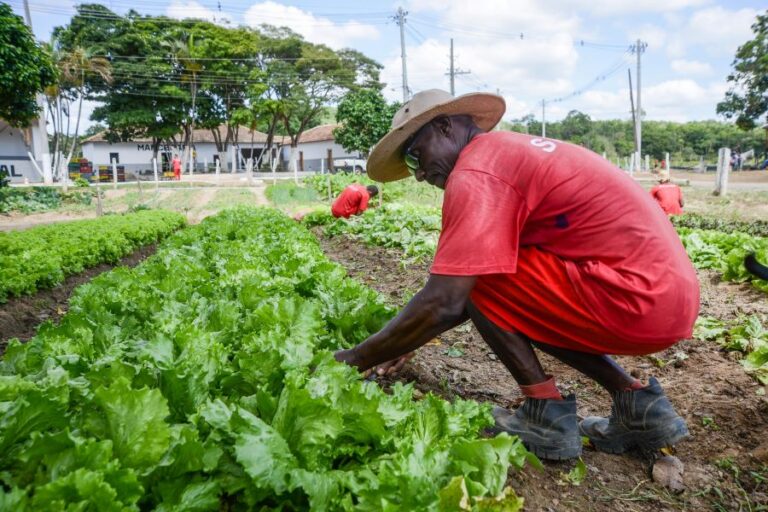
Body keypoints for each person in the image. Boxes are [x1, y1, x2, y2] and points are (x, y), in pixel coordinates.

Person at [334, 89, 699, 461]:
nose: (421, 174)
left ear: (444, 127)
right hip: (667, 295)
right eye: (412, 167)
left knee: (482, 275)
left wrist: (352, 359)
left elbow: (449, 300)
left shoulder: (476, 171)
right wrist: (410, 337)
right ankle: (638, 405)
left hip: (637, 297)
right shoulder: (507, 151)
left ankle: (546, 416)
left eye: (416, 156)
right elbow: (493, 300)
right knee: (492, 275)